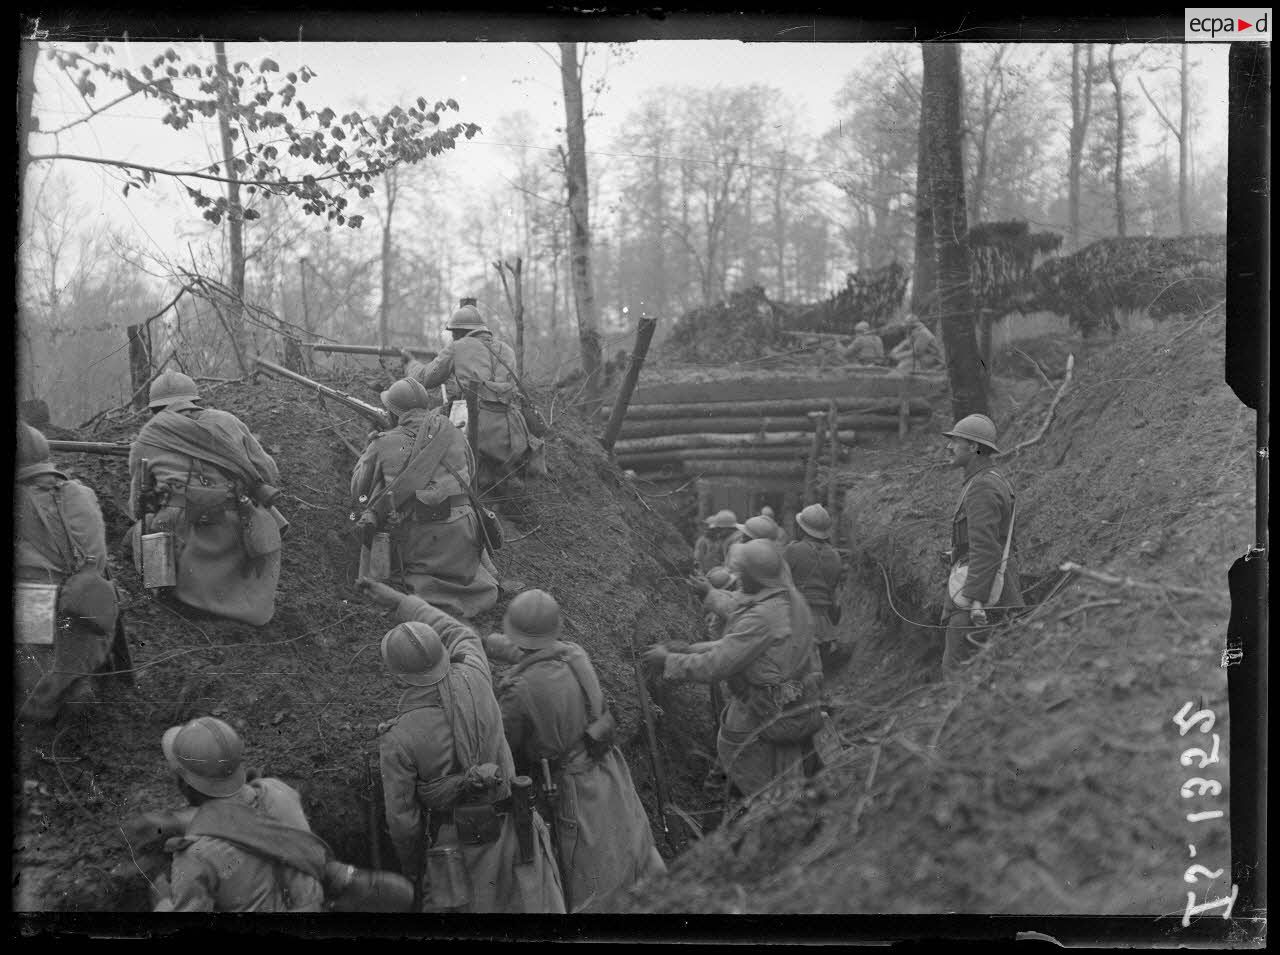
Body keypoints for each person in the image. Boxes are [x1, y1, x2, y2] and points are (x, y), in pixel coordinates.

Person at [360, 577, 565, 913]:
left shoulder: (399, 737)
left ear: (399, 675)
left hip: (454, 858)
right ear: (444, 652)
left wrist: (414, 868)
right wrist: (400, 601)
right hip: (516, 830)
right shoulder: (476, 670)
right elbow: (456, 630)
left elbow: (403, 822)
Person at [480, 589, 666, 911]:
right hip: (608, 771)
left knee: (592, 879)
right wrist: (487, 642)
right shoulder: (574, 654)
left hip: (572, 788)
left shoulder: (518, 691)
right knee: (632, 846)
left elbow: (505, 749)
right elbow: (540, 657)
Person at [643, 540, 823, 800]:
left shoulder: (762, 617)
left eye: (742, 575)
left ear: (753, 576)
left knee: (741, 780)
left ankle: (731, 825)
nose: (738, 580)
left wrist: (669, 660)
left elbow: (719, 664)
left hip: (759, 714)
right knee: (773, 780)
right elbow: (744, 619)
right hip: (792, 707)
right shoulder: (789, 597)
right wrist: (692, 645)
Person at [128, 371, 285, 626]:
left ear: (155, 409)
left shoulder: (148, 437)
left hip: (184, 540)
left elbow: (136, 504)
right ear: (194, 401)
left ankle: (165, 596)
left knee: (140, 528)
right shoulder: (228, 421)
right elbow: (268, 472)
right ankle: (243, 604)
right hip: (239, 530)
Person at [350, 377, 498, 619]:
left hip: (422, 538)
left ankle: (377, 583)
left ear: (392, 413)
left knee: (373, 507)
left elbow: (359, 492)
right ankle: (473, 586)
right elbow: (470, 478)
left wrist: (370, 448)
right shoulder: (455, 434)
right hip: (463, 533)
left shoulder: (383, 443)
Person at [148, 716, 328, 912]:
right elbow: (242, 817)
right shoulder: (277, 792)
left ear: (184, 785)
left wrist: (162, 902)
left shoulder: (196, 855)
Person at [15, 423, 129, 723]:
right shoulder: (82, 494)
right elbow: (97, 562)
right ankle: (75, 682)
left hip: (35, 636)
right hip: (87, 628)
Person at [403, 302, 541, 515]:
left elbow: (426, 378)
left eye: (453, 334)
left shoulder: (459, 346)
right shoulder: (507, 350)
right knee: (495, 473)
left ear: (459, 332)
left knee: (426, 432)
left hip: (473, 421)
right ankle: (500, 495)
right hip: (510, 426)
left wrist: (410, 363)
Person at [940, 414, 1025, 672]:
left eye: (956, 441)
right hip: (991, 591)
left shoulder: (982, 487)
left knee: (955, 670)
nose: (949, 446)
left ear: (975, 448)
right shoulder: (989, 480)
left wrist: (974, 600)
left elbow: (986, 549)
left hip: (980, 599)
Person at [784, 504, 848, 671]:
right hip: (824, 621)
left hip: (796, 617)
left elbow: (782, 582)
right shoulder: (835, 555)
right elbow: (834, 590)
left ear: (802, 528)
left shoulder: (793, 550)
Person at [693, 508, 738, 575]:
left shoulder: (723, 540)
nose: (707, 530)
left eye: (714, 529)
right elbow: (698, 558)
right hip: (707, 572)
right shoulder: (703, 541)